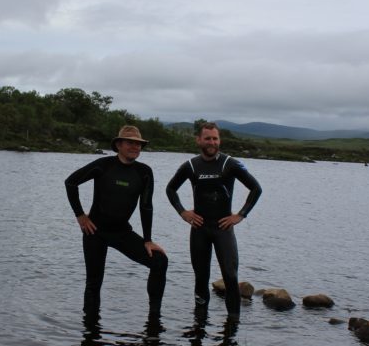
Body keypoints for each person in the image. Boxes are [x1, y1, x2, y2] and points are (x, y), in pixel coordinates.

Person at [65, 125, 168, 315]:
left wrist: (147, 240)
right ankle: (90, 332)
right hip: (95, 231)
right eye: (130, 143)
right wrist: (80, 215)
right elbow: (71, 182)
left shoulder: (144, 172)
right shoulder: (103, 165)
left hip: (122, 232)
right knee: (94, 283)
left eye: (139, 144)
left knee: (160, 261)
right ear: (119, 144)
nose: (135, 147)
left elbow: (146, 206)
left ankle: (154, 319)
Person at [165, 122, 262, 318]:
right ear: (199, 140)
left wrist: (240, 215)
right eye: (207, 138)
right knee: (201, 277)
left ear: (219, 141)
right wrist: (183, 212)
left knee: (230, 276)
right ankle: (199, 326)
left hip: (223, 228)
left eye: (215, 138)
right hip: (199, 228)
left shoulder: (230, 164)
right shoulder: (191, 166)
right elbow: (170, 189)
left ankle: (232, 328)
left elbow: (256, 188)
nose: (212, 142)